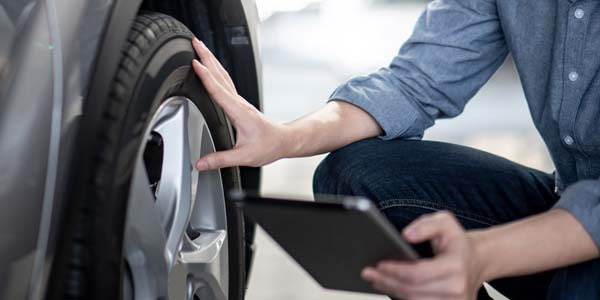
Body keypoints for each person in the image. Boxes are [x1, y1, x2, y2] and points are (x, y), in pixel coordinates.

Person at [189, 0, 600, 298]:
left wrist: (483, 255)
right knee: (356, 173)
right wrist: (282, 137)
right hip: (563, 197)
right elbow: (413, 83)